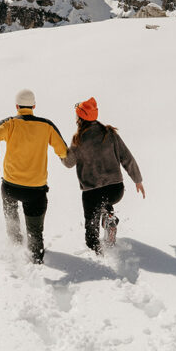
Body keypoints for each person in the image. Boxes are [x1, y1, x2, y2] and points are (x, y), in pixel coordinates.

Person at [0, 89, 69, 264]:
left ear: (17, 106)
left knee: (12, 221)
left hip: (10, 187)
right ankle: (36, 261)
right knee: (35, 234)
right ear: (34, 106)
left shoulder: (9, 123)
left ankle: (15, 249)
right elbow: (63, 151)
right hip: (35, 191)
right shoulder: (46, 125)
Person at [62, 97, 145, 253]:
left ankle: (96, 253)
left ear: (80, 118)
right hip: (116, 190)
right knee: (104, 202)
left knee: (91, 229)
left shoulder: (78, 139)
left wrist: (61, 150)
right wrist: (138, 180)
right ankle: (108, 218)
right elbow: (127, 158)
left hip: (92, 193)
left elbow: (68, 163)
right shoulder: (110, 133)